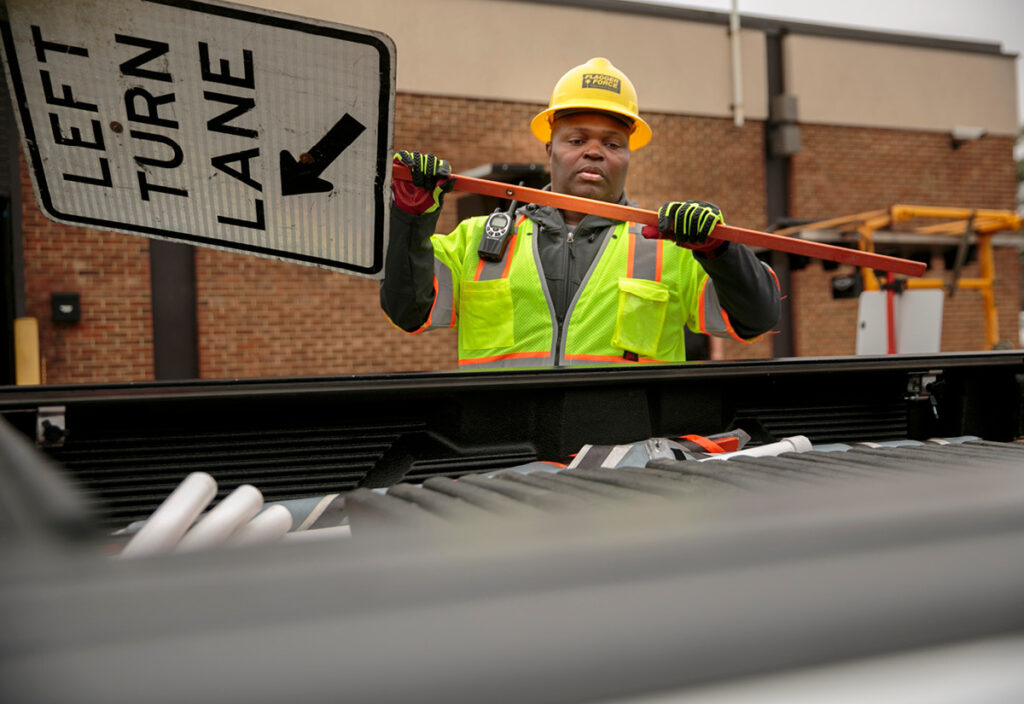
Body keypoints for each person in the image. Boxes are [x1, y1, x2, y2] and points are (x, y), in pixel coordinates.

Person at [381, 57, 780, 369]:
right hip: (504, 459)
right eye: (576, 139)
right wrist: (411, 216)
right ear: (548, 150)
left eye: (613, 143)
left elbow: (756, 320)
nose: (594, 151)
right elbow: (408, 311)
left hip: (629, 462)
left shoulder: (671, 250)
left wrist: (721, 252)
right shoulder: (475, 241)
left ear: (627, 157)